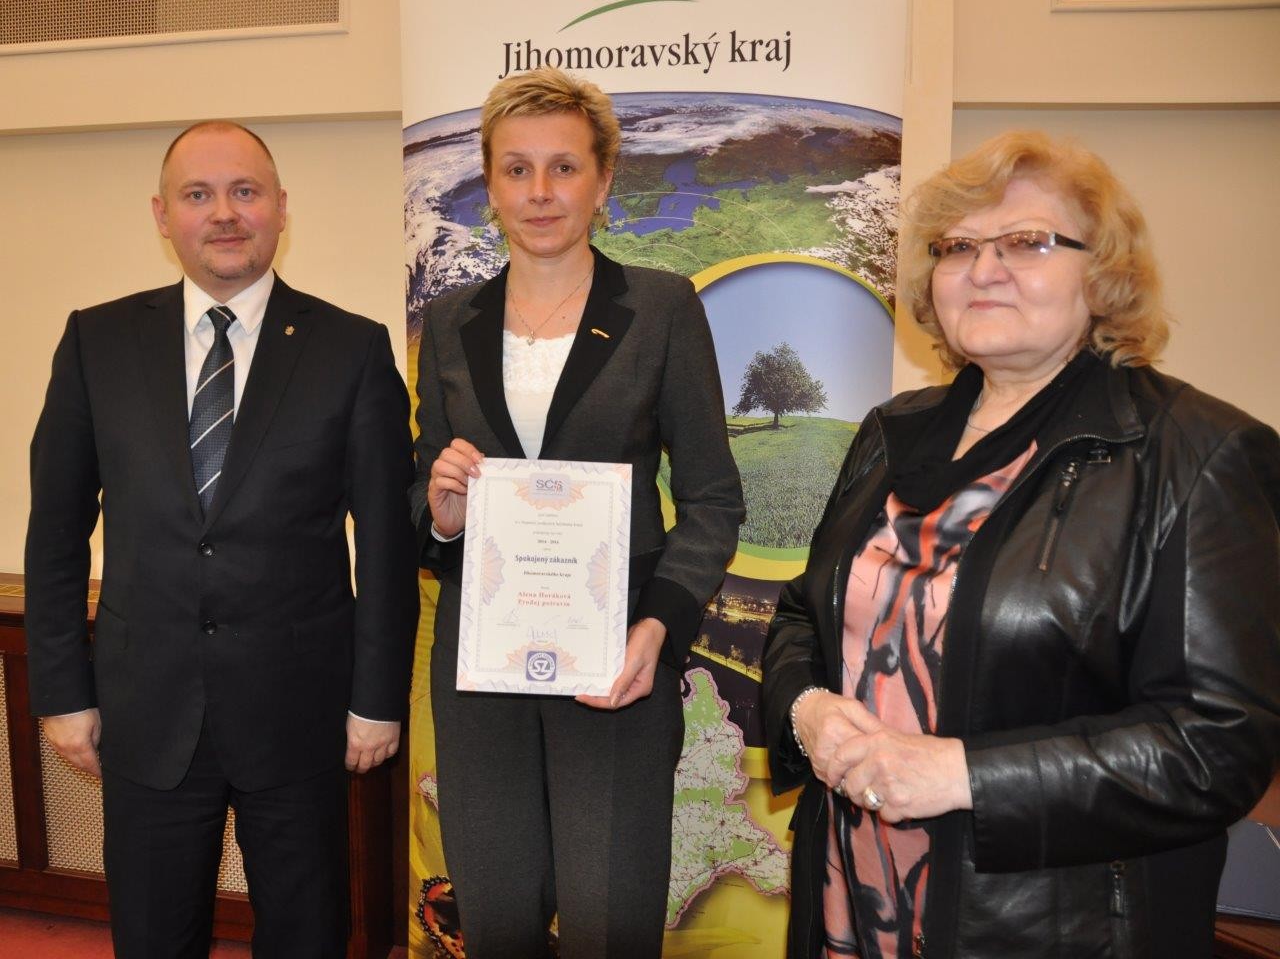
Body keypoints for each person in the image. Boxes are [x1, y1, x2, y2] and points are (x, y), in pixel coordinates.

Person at [762, 130, 1280, 958]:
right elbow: (803, 616)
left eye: (1027, 241)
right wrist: (807, 711)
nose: (984, 269)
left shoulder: (1197, 454)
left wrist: (963, 775)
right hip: (846, 897)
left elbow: (1219, 744)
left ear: (1102, 273)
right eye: (957, 246)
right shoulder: (893, 432)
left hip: (1046, 926)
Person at [25, 121, 419, 958]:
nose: (225, 213)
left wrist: (377, 699)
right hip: (146, 712)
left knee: (307, 936)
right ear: (162, 215)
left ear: (281, 207)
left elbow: (385, 544)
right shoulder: (96, 341)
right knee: (153, 937)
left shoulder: (351, 349)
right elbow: (56, 531)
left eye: (245, 191)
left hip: (301, 715)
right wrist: (60, 692)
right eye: (198, 195)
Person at [411, 68, 743, 958]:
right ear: (491, 185)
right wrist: (442, 512)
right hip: (482, 669)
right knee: (498, 922)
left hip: (617, 664)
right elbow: (421, 491)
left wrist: (657, 629)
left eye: (564, 168)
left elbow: (713, 498)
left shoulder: (662, 308)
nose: (540, 192)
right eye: (516, 169)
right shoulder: (448, 322)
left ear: (603, 182)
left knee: (608, 923)